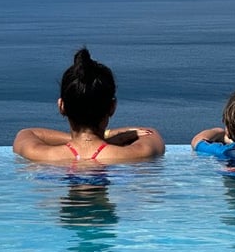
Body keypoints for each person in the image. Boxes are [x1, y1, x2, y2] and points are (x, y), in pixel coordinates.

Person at [13, 47, 165, 164]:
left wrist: (82, 138)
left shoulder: (40, 154)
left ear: (62, 106)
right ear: (112, 107)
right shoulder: (138, 154)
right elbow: (151, 133)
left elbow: (26, 133)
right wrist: (109, 137)